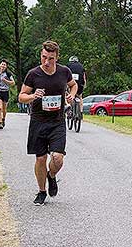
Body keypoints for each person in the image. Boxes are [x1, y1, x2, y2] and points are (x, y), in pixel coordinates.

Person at [18, 41, 78, 205]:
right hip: (38, 122)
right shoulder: (33, 74)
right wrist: (33, 96)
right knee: (40, 159)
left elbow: (73, 85)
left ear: (57, 58)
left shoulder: (64, 72)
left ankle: (51, 176)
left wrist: (71, 95)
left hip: (57, 122)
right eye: (44, 57)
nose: (46, 62)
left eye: (50, 58)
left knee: (57, 158)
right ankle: (41, 191)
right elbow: (21, 96)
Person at [0, 59, 15, 129]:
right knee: (0, 108)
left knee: (4, 109)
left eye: (4, 65)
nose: (3, 66)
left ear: (6, 66)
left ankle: (3, 119)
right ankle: (0, 123)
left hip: (5, 92)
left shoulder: (8, 74)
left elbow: (13, 83)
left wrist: (6, 80)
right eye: (2, 64)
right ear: (0, 65)